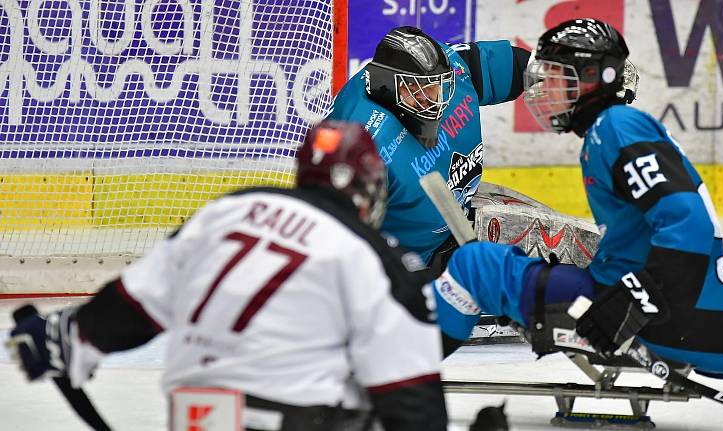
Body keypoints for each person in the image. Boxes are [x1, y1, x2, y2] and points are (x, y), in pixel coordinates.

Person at [5, 121, 448, 431]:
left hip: (194, 413)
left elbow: (132, 305)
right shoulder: (372, 255)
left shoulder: (227, 211)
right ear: (368, 191)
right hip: (299, 417)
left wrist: (66, 333)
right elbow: (410, 395)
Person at [431, 18, 723, 379]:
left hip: (671, 320)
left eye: (557, 75)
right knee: (507, 266)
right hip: (677, 313)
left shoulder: (616, 127)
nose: (543, 87)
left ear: (597, 78)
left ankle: (400, 377)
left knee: (476, 265)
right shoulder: (612, 128)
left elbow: (689, 221)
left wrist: (634, 300)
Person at [326, 26, 531, 269]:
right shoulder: (363, 142)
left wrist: (560, 75)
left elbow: (515, 66)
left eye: (436, 87)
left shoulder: (450, 72)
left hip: (460, 225)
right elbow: (343, 247)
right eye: (420, 90)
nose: (433, 98)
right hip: (404, 273)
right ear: (388, 87)